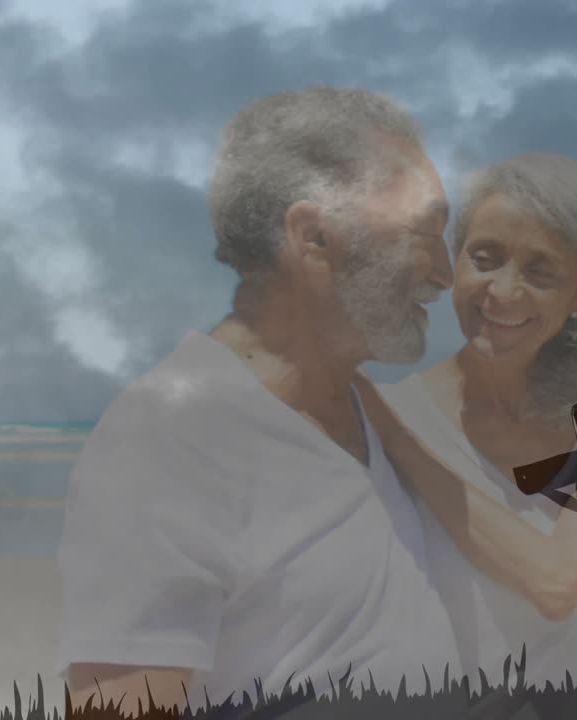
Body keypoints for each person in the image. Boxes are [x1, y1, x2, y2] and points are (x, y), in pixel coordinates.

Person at [53, 86, 460, 714]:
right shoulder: (170, 439)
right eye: (424, 232)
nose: (445, 270)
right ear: (314, 237)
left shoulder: (363, 411)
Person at [352, 152, 577, 692]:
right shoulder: (381, 415)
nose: (502, 291)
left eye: (541, 271)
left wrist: (404, 445)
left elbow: (557, 583)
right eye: (485, 257)